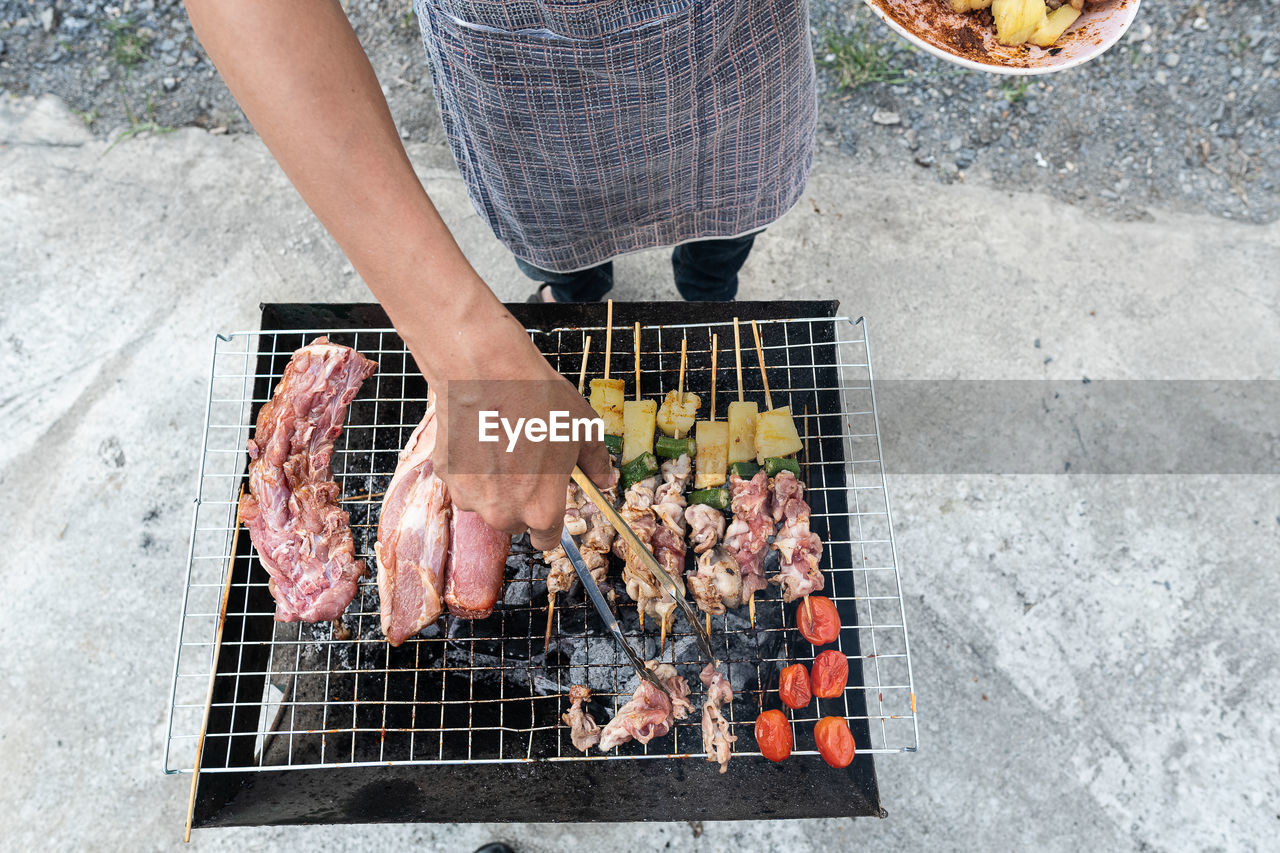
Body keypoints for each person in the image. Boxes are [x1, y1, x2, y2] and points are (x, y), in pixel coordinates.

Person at [185, 0, 816, 547]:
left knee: (725, 233)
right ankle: (575, 294)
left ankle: (706, 294)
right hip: (527, 96)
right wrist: (464, 347)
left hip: (736, 73)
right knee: (560, 251)